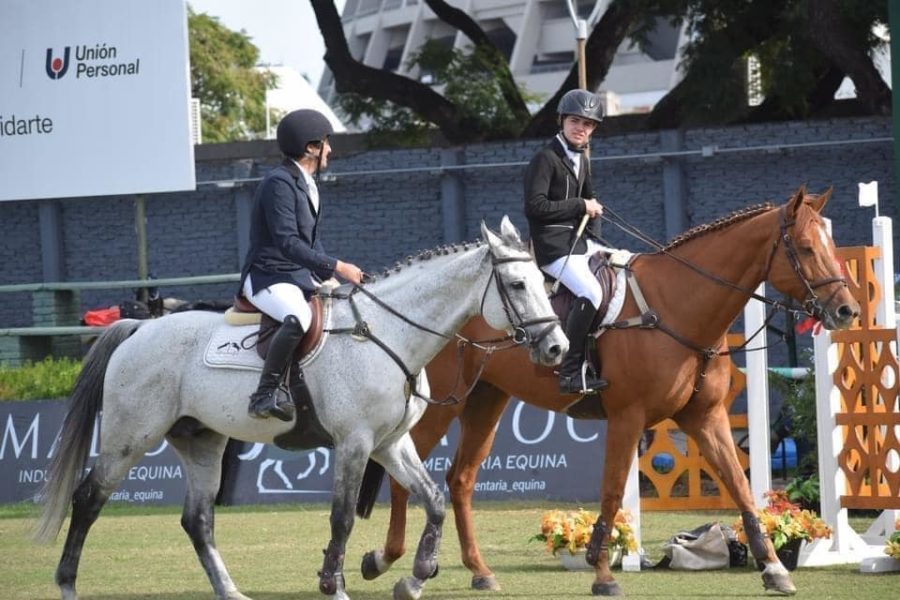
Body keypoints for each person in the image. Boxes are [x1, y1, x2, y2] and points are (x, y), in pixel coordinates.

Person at [239, 109, 364, 421]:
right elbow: (287, 243)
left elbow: (309, 242)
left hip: (295, 275)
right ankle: (264, 394)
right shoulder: (277, 183)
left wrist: (332, 278)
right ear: (311, 147)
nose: (330, 150)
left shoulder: (306, 183)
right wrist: (339, 265)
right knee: (298, 317)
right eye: (326, 142)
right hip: (268, 275)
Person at [524, 89, 607, 394]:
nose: (580, 128)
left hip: (579, 242)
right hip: (551, 247)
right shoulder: (545, 159)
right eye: (575, 121)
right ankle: (571, 371)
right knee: (592, 292)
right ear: (562, 120)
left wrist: (598, 242)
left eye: (588, 124)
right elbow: (535, 206)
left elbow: (590, 200)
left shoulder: (582, 159)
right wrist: (580, 207)